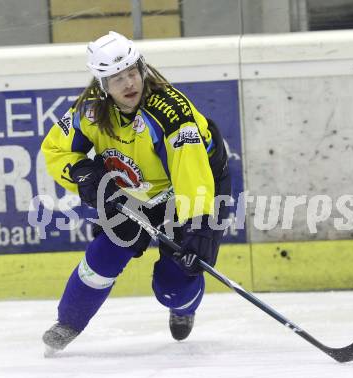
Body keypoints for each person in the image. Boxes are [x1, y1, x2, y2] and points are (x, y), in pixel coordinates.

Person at [41, 31, 231, 353]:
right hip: (132, 196)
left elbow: (191, 174)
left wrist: (199, 223)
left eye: (132, 72)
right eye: (117, 79)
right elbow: (55, 151)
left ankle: (182, 308)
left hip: (191, 191)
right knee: (103, 256)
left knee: (175, 281)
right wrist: (81, 172)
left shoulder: (170, 111)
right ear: (103, 85)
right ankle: (69, 322)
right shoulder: (89, 112)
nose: (129, 84)